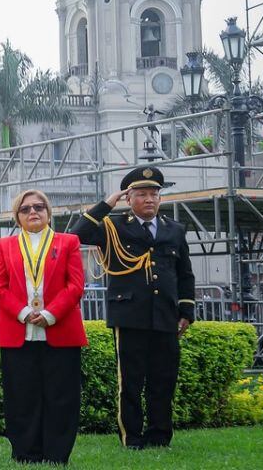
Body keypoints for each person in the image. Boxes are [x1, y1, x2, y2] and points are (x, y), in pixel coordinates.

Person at [68, 165, 195, 450]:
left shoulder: (174, 230)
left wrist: (186, 311)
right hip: (129, 315)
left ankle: (160, 435)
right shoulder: (114, 226)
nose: (149, 199)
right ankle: (133, 437)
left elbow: (184, 273)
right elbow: (77, 235)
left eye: (154, 194)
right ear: (129, 198)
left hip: (165, 314)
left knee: (163, 379)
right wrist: (106, 204)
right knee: (131, 382)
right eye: (141, 194)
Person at [0, 189, 86, 464]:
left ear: (48, 212)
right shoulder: (5, 245)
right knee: (21, 397)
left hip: (60, 330)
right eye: (26, 209)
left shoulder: (68, 242)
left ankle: (57, 454)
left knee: (62, 397)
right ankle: (25, 453)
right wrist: (23, 312)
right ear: (17, 216)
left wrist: (50, 313)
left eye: (39, 207)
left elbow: (75, 285)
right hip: (17, 332)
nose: (33, 212)